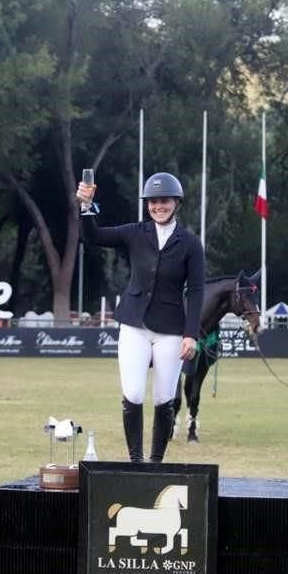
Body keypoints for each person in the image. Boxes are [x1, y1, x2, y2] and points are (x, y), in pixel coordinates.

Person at [76, 172, 205, 463]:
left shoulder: (190, 243)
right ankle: (135, 461)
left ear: (176, 202)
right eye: (153, 202)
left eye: (165, 201)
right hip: (134, 324)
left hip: (171, 329)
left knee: (163, 398)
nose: (158, 206)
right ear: (147, 205)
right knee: (132, 393)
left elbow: (196, 291)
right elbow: (93, 236)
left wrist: (191, 334)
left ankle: (156, 462)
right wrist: (86, 206)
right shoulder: (135, 232)